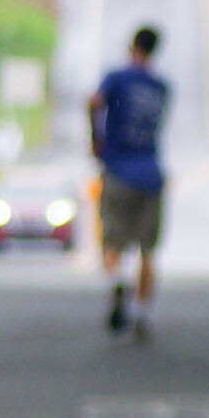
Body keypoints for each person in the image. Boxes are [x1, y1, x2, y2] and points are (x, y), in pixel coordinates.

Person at [88, 26, 169, 341]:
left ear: (132, 47)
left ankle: (116, 282)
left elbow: (94, 102)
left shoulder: (117, 78)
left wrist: (96, 139)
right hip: (150, 174)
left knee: (112, 241)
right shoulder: (161, 88)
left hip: (118, 171)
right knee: (147, 250)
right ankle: (141, 314)